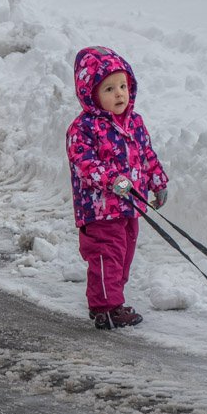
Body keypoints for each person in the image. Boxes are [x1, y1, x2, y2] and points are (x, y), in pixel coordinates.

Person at [66, 46, 169, 330]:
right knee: (105, 255)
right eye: (109, 89)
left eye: (123, 86)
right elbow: (83, 163)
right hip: (99, 211)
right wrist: (112, 179)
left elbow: (146, 154)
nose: (120, 94)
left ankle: (112, 300)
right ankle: (106, 308)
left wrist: (157, 180)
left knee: (122, 256)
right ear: (91, 93)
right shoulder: (83, 128)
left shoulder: (134, 123)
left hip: (128, 208)